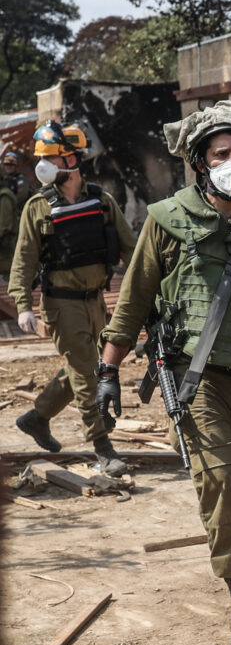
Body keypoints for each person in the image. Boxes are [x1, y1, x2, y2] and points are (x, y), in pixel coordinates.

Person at [96, 100, 231, 645]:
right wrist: (107, 372)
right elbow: (132, 303)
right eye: (222, 153)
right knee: (224, 485)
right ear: (201, 160)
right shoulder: (166, 220)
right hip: (195, 383)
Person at [9, 121, 135, 475]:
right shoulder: (37, 207)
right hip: (61, 304)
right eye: (41, 157)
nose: (43, 165)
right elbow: (23, 261)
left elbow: (133, 250)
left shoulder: (102, 200)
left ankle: (37, 417)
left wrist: (150, 287)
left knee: (83, 367)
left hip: (98, 301)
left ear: (71, 160)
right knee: (87, 374)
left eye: (51, 157)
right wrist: (23, 305)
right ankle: (102, 446)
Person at [1, 148, 34, 276]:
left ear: (16, 166)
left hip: (19, 217)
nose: (9, 167)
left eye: (11, 165)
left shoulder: (20, 180)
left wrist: (7, 200)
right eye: (7, 165)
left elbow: (21, 197)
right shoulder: (4, 181)